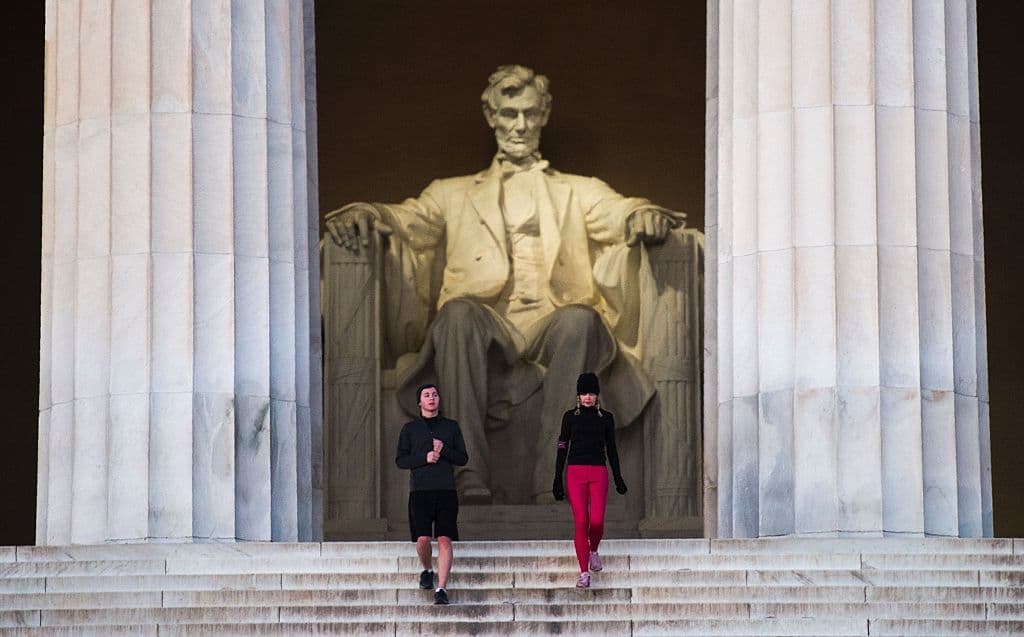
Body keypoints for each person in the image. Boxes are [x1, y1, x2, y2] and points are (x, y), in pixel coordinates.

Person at [327, 65, 684, 503]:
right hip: (485, 327)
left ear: (544, 115)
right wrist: (370, 213)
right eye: (510, 113)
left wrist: (639, 214)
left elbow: (617, 211)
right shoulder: (451, 193)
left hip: (551, 325)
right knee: (456, 315)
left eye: (530, 114)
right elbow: (407, 221)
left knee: (582, 322)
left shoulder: (578, 190)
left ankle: (552, 479)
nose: (520, 125)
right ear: (490, 114)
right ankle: (467, 473)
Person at [552, 372, 627, 588]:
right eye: (584, 393)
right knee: (580, 521)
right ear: (578, 395)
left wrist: (618, 477)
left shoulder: (606, 418)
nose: (588, 397)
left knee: (596, 521)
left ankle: (594, 549)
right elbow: (562, 446)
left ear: (597, 395)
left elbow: (612, 449)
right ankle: (584, 572)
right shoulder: (569, 417)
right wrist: (557, 478)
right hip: (575, 472)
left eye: (592, 393)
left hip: (598, 472)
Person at [395, 383, 469, 605]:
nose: (432, 398)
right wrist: (424, 459)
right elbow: (400, 460)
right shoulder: (410, 429)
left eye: (435, 394)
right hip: (420, 491)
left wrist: (443, 449)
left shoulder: (451, 427)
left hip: (446, 490)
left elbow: (463, 458)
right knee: (423, 539)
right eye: (427, 395)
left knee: (445, 539)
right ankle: (427, 569)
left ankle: (442, 588)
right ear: (419, 402)